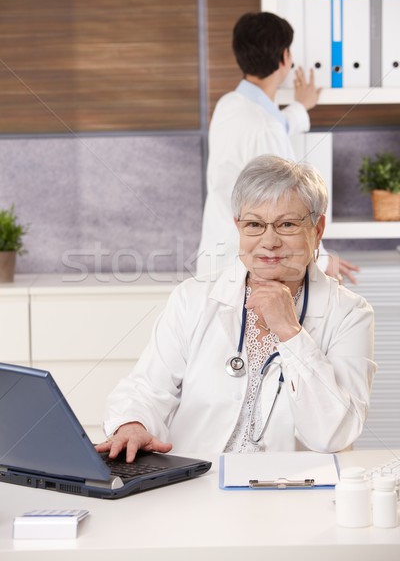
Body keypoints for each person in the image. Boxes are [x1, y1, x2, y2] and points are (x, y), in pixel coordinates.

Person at [96, 155, 376, 462]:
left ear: (317, 229)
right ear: (237, 227)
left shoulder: (350, 314)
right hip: (197, 483)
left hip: (290, 491)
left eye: (287, 224)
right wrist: (132, 422)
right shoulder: (192, 299)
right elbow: (147, 387)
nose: (269, 241)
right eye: (254, 224)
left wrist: (290, 332)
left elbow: (333, 433)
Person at [196, 11, 359, 283]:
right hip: (248, 269)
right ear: (285, 58)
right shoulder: (265, 128)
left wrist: (299, 107)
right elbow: (291, 205)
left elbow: (271, 125)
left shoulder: (229, 105)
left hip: (219, 258)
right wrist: (324, 259)